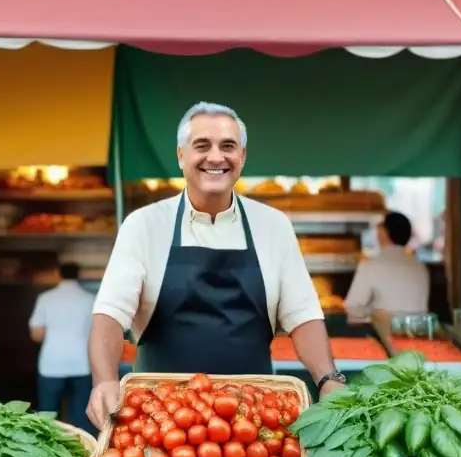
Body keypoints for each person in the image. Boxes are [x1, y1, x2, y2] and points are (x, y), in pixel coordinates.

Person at [86, 102, 345, 429]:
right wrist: (105, 381)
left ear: (243, 157)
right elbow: (109, 316)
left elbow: (303, 315)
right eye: (202, 146)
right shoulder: (144, 225)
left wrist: (329, 378)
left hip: (253, 421)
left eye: (228, 146)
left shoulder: (273, 225)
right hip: (157, 420)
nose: (216, 157)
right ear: (181, 156)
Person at [29, 260, 96, 434]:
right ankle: (86, 454)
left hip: (52, 364)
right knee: (82, 419)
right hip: (82, 364)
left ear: (58, 274)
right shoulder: (90, 299)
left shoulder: (45, 298)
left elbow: (37, 334)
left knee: (48, 419)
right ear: (78, 275)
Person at [344, 212, 430, 322]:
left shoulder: (371, 265)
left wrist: (372, 312)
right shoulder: (421, 267)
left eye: (380, 228)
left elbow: (352, 307)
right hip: (418, 333)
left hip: (384, 335)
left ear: (384, 233)